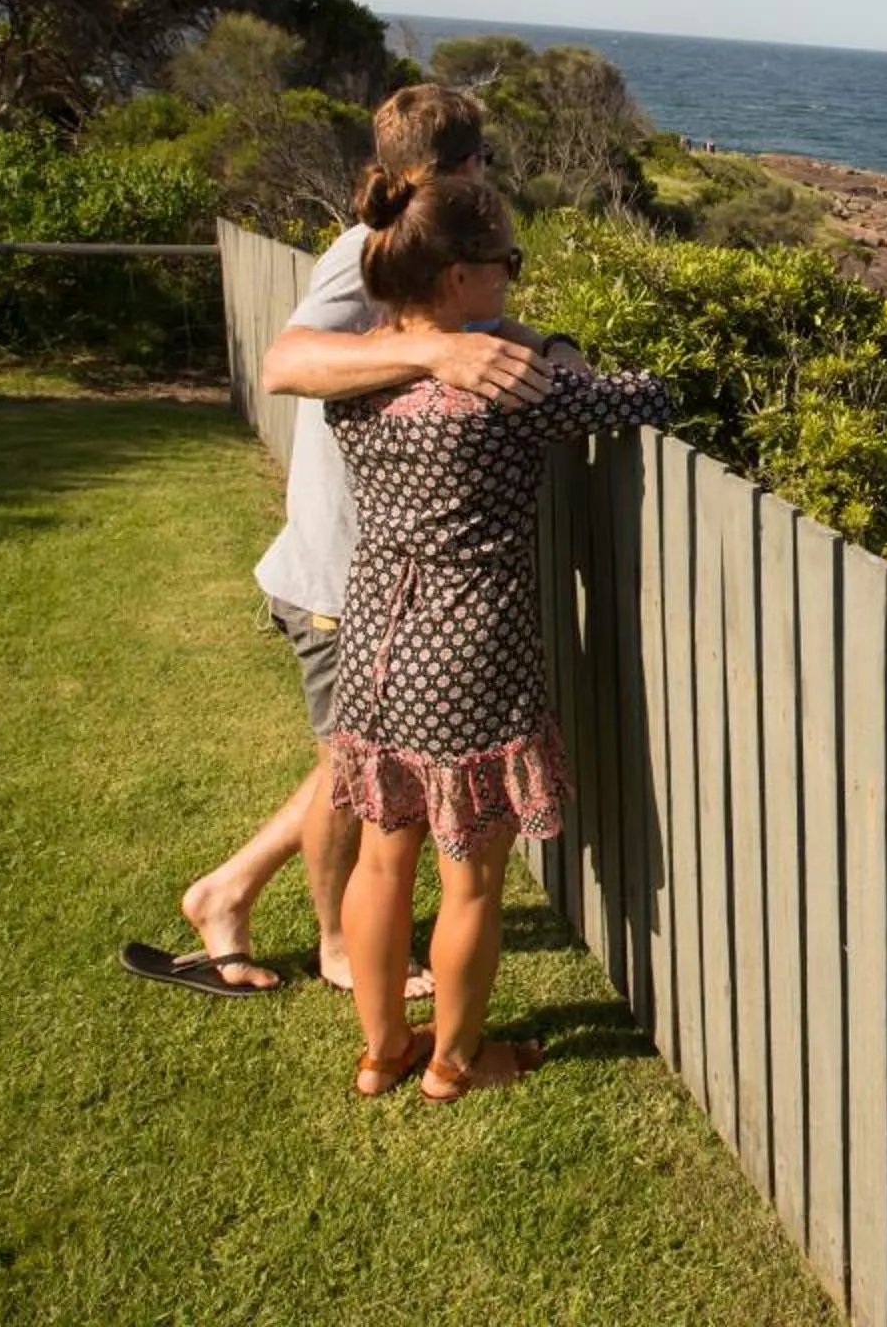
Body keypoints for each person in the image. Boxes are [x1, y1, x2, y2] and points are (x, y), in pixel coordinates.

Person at [122, 83, 550, 998]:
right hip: (340, 579)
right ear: (467, 168)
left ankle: (227, 892)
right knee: (353, 775)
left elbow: (452, 330)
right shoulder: (371, 249)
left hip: (373, 575)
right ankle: (334, 944)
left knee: (347, 767)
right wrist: (438, 355)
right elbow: (288, 362)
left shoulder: (410, 252)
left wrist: (525, 337)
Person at [322, 171, 670, 1097]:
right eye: (507, 264)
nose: (514, 280)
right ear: (457, 278)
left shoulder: (358, 371)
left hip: (374, 639)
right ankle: (456, 1062)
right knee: (471, 874)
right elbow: (642, 397)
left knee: (384, 852)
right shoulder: (506, 387)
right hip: (469, 644)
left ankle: (383, 1048)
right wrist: (553, 347)